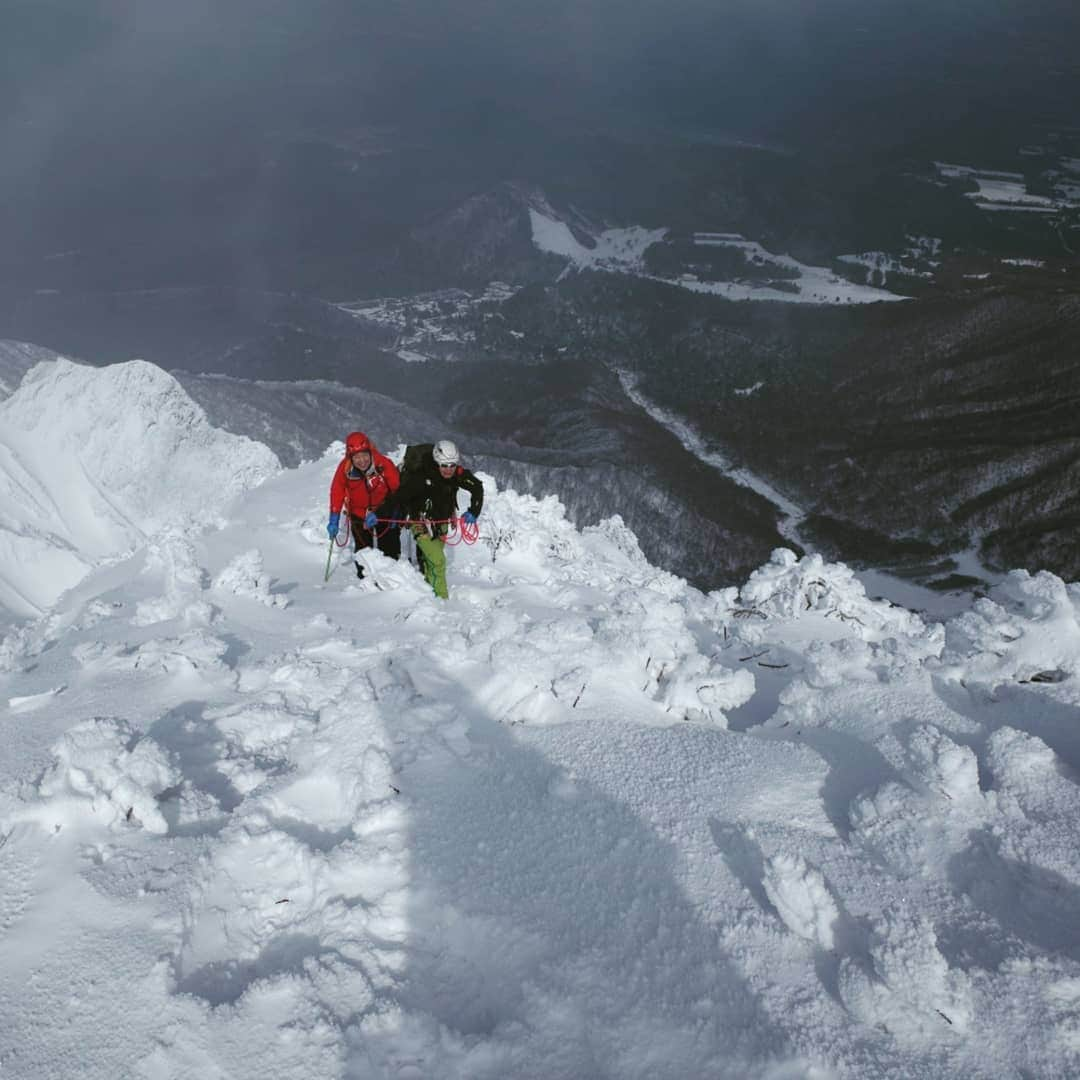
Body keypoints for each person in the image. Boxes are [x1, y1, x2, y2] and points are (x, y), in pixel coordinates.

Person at [397, 439, 483, 599]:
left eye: (452, 465)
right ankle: (442, 598)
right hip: (420, 523)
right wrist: (388, 513)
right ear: (437, 462)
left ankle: (429, 593)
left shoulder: (456, 474)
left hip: (441, 523)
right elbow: (400, 496)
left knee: (432, 562)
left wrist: (474, 511)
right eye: (444, 465)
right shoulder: (421, 477)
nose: (448, 470)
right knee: (438, 561)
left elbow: (477, 486)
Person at [327, 431, 401, 579]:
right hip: (358, 513)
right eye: (356, 457)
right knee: (363, 550)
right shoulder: (345, 469)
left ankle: (393, 581)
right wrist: (334, 517)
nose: (362, 461)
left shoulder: (383, 464)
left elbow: (398, 490)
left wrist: (395, 513)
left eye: (364, 455)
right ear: (351, 457)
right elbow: (337, 491)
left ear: (370, 452)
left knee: (389, 548)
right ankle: (365, 582)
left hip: (383, 511)